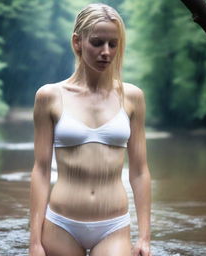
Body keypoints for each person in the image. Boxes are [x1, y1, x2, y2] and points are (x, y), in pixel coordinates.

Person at [29, 3, 151, 256]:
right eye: (97, 42)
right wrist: (34, 242)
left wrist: (145, 238)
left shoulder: (132, 97)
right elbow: (41, 170)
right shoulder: (49, 96)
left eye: (113, 44)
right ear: (77, 42)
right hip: (61, 224)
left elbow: (139, 172)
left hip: (114, 225)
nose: (106, 52)